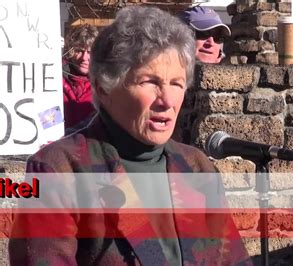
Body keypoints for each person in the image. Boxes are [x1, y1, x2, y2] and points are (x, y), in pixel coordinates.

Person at [9, 6, 250, 265]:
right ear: (103, 88)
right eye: (149, 81)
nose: (167, 100)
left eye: (177, 83)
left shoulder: (196, 166)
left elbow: (233, 259)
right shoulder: (59, 169)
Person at [62, 24, 98, 132]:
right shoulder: (53, 77)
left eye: (90, 52)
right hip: (56, 143)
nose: (84, 58)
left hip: (90, 145)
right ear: (70, 51)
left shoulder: (104, 85)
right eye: (79, 51)